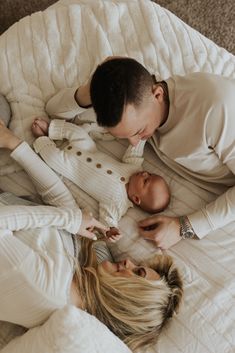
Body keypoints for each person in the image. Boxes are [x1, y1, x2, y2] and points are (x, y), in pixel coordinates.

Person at [0, 119, 183, 351]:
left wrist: (70, 220)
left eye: (138, 271)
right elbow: (60, 200)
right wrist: (16, 146)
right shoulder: (89, 266)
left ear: (128, 301)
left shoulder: (48, 289)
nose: (128, 261)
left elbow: (65, 216)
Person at [45, 56, 235, 250]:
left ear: (158, 94)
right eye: (126, 136)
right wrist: (92, 89)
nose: (135, 142)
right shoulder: (129, 97)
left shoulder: (216, 110)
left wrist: (183, 227)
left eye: (138, 131)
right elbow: (53, 110)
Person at [30, 117, 170, 236]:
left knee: (53, 158)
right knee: (79, 132)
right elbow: (135, 150)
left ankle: (42, 139)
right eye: (150, 174)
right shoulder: (134, 168)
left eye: (146, 181)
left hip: (71, 167)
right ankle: (52, 129)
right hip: (87, 149)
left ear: (136, 198)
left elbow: (108, 220)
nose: (145, 173)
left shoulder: (118, 204)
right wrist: (143, 134)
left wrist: (110, 230)